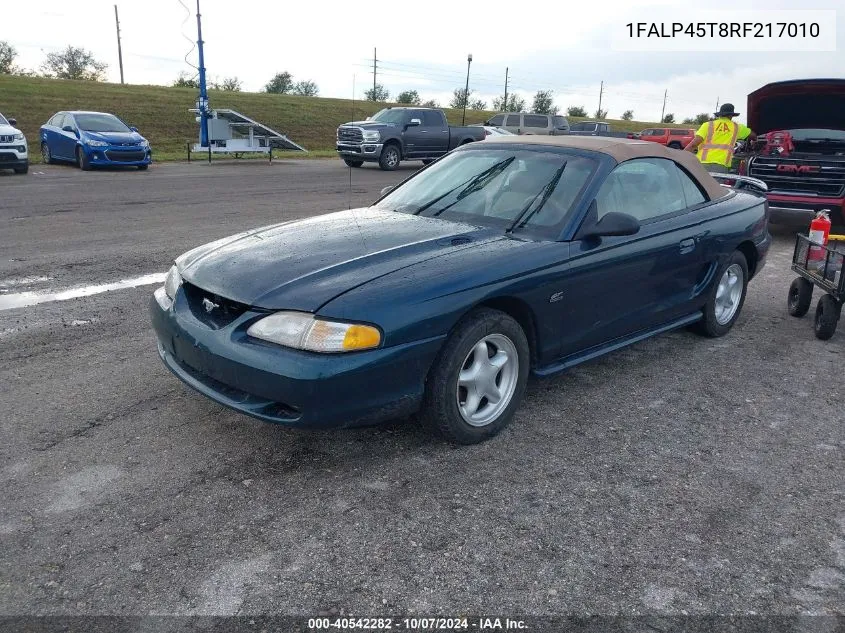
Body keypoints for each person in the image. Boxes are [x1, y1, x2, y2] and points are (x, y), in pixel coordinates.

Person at [684, 103, 756, 174]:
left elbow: (693, 144)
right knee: (715, 186)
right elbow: (753, 136)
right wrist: (754, 141)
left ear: (720, 114)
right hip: (721, 166)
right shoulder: (737, 127)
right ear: (731, 115)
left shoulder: (708, 125)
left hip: (701, 164)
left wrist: (680, 156)